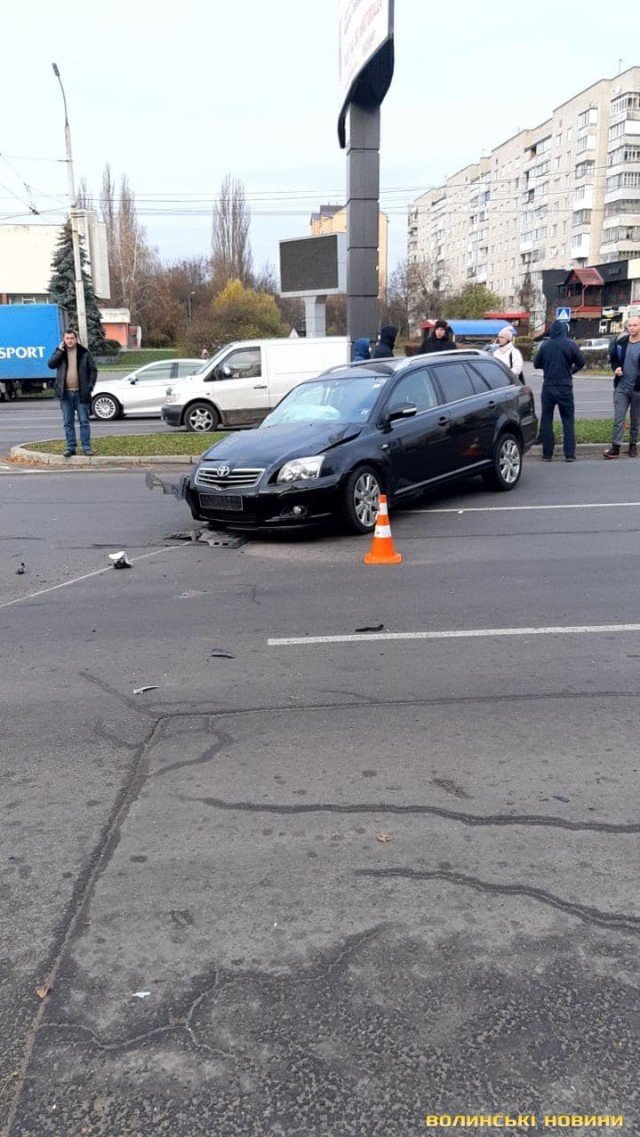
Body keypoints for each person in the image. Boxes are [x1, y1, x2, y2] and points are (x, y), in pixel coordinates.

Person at [533, 320, 585, 462]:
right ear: (564, 330)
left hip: (549, 386)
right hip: (565, 387)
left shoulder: (545, 345)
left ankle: (547, 454)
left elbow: (536, 364)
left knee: (547, 419)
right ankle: (569, 454)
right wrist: (571, 370)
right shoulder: (570, 344)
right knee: (568, 421)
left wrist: (547, 366)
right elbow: (581, 361)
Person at [47, 329, 98, 457]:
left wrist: (89, 386)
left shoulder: (84, 353)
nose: (69, 340)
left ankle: (86, 447)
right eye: (67, 338)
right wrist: (59, 351)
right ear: (64, 339)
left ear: (76, 339)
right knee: (68, 422)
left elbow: (93, 370)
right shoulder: (60, 353)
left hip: (81, 393)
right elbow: (51, 365)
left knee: (84, 421)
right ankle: (70, 447)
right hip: (65, 394)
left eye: (72, 338)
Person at [603, 315, 640, 458]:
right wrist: (616, 367)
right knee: (619, 418)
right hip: (621, 387)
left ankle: (632, 445)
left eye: (635, 325)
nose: (631, 328)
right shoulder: (622, 342)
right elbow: (613, 359)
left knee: (635, 419)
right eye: (630, 326)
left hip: (637, 389)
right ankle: (616, 446)